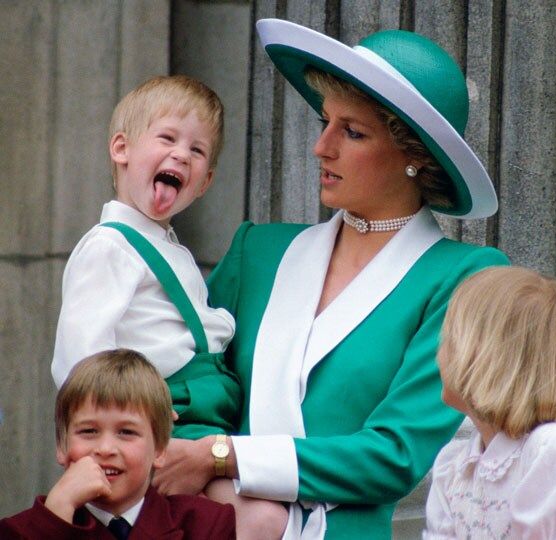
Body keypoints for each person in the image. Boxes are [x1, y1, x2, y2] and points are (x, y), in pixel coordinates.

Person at [151, 19, 509, 540]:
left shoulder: (465, 278)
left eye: (353, 131)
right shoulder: (259, 249)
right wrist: (214, 483)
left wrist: (226, 457)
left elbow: (395, 454)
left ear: (415, 155)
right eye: (325, 121)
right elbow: (194, 383)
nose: (321, 147)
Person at [51, 74, 241, 441]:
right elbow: (79, 356)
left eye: (197, 150)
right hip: (161, 415)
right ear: (121, 148)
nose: (182, 154)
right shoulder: (110, 247)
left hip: (203, 409)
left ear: (205, 183)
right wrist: (120, 423)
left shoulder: (166, 246)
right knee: (250, 500)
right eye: (168, 138)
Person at [423, 266, 556, 539]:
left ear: (484, 356)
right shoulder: (454, 466)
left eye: (449, 339)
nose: (438, 353)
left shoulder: (552, 449)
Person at [0, 349, 236, 539]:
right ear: (62, 446)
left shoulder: (205, 524)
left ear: (160, 449)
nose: (105, 448)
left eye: (126, 432)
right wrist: (57, 512)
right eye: (89, 431)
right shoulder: (18, 532)